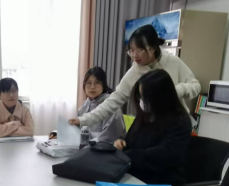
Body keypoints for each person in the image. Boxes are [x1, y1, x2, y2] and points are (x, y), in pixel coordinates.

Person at [69, 24, 200, 129]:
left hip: (176, 124)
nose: (134, 55)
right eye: (131, 51)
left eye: (139, 50)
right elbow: (112, 101)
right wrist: (82, 120)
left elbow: (195, 86)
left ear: (153, 48)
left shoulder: (172, 62)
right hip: (152, 127)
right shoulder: (135, 71)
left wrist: (175, 90)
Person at [50, 67, 125, 142]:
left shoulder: (111, 105)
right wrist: (59, 134)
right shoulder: (86, 103)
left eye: (97, 82)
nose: (92, 87)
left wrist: (88, 144)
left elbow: (110, 137)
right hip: (85, 145)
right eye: (89, 83)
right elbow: (76, 129)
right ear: (84, 85)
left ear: (104, 85)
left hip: (103, 147)